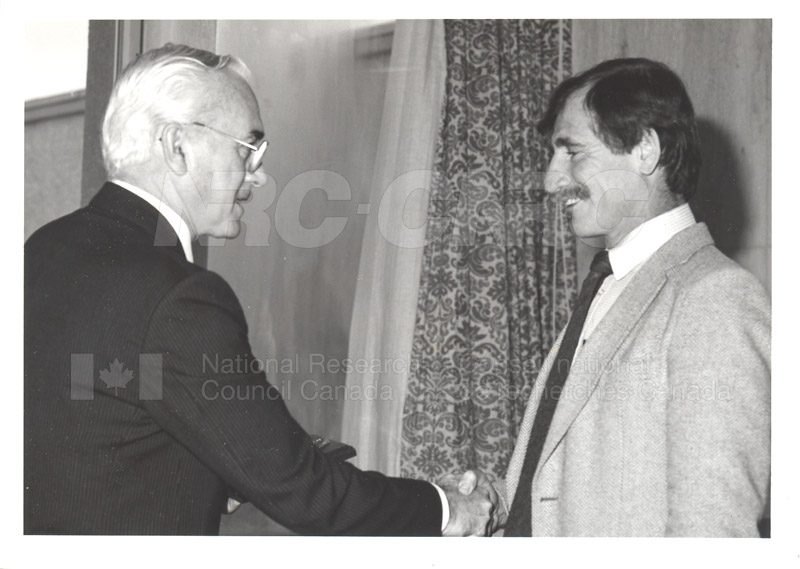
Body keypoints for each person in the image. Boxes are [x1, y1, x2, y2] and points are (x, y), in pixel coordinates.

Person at [24, 43, 496, 536]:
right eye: (248, 149)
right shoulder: (179, 295)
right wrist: (447, 508)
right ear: (178, 146)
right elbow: (304, 491)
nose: (261, 176)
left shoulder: (44, 248)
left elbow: (101, 431)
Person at [471, 57, 770, 536]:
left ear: (644, 150)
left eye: (572, 151)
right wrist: (494, 503)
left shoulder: (715, 298)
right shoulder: (607, 284)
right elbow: (573, 487)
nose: (551, 180)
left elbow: (712, 531)